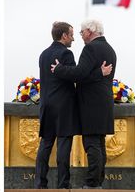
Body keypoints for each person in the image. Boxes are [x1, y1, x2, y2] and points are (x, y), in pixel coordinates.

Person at [35, 22, 111, 189]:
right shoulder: (66, 54)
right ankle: (63, 184)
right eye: (71, 34)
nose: (74, 38)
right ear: (64, 36)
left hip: (46, 104)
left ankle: (40, 183)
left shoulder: (43, 54)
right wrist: (99, 72)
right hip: (64, 106)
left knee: (45, 144)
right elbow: (76, 76)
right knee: (63, 145)